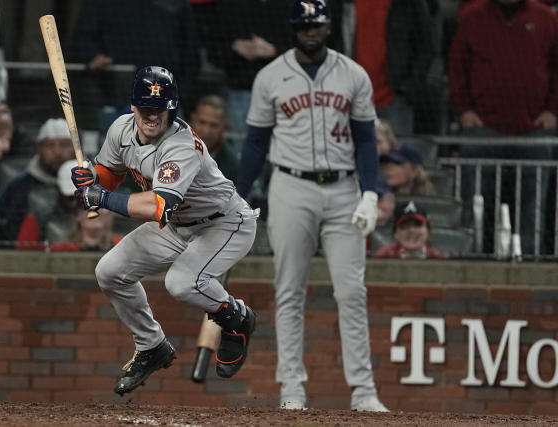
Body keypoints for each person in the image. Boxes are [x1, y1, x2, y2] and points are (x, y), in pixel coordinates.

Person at [69, 66, 260, 396]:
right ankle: (151, 345)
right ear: (133, 106)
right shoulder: (120, 130)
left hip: (224, 222)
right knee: (110, 271)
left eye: (160, 109)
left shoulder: (182, 146)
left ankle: (237, 319)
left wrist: (100, 195)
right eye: (146, 108)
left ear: (172, 109)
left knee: (182, 282)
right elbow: (109, 175)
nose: (152, 116)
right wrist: (91, 180)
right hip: (177, 226)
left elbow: (158, 206)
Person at [235, 0, 388, 412]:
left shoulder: (353, 74)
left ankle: (363, 391)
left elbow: (367, 138)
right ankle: (292, 389)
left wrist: (371, 192)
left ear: (328, 26)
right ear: (293, 28)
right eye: (303, 25)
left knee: (352, 291)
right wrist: (237, 193)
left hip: (343, 190)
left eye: (316, 24)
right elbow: (254, 142)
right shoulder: (270, 76)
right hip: (290, 185)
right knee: (289, 291)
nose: (310, 31)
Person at [448, 0, 558, 255]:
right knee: (472, 206)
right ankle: (469, 260)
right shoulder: (471, 17)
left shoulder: (546, 18)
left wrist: (552, 111)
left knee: (534, 208)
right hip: (482, 131)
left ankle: (531, 261)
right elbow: (457, 67)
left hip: (535, 132)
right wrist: (463, 109)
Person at [68, 0, 200, 116]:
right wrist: (93, 55)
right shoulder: (102, 2)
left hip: (166, 99)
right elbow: (81, 39)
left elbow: (191, 51)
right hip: (116, 97)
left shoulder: (177, 3)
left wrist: (182, 95)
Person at [331, 0, 437, 136]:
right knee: (345, 155)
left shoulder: (407, 3)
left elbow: (426, 46)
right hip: (347, 100)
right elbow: (327, 42)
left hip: (394, 99)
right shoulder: (339, 4)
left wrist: (409, 86)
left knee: (395, 156)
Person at [206, 0, 290, 137]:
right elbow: (213, 53)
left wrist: (273, 51)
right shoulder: (229, 6)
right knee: (242, 152)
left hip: (283, 94)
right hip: (241, 94)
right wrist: (236, 48)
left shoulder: (288, 5)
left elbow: (306, 51)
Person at [0, 118, 75, 240]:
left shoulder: (89, 184)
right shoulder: (18, 187)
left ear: (75, 150)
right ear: (39, 150)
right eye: (50, 145)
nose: (57, 152)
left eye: (64, 145)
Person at [15, 159, 81, 250]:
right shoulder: (39, 217)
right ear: (58, 190)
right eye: (70, 198)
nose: (75, 203)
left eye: (80, 199)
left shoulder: (102, 216)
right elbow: (22, 252)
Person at [188, 94, 240, 182]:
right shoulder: (172, 150)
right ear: (192, 120)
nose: (206, 131)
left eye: (214, 125)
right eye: (202, 122)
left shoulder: (232, 165)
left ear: (224, 127)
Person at [373, 199, 448, 259]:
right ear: (395, 233)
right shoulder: (382, 257)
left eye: (417, 225)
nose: (411, 230)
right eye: (404, 226)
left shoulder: (439, 258)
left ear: (428, 230)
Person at [49, 207, 121, 252]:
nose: (95, 211)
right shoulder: (60, 249)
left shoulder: (121, 246)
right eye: (88, 206)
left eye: (101, 206)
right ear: (77, 215)